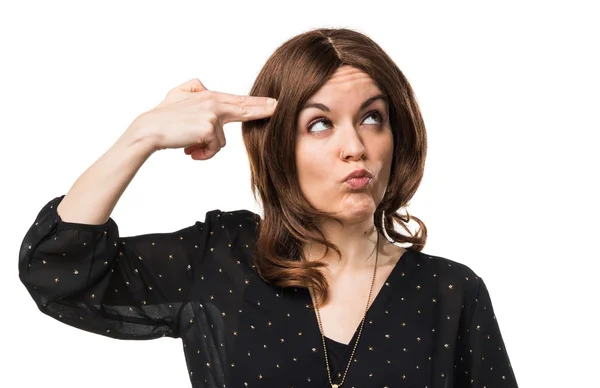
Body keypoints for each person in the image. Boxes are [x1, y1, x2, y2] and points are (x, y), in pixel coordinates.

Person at [18, 28, 518, 387]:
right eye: (320, 123)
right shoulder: (220, 259)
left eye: (372, 118)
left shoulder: (451, 293)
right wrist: (141, 136)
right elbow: (56, 270)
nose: (355, 147)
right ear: (279, 145)